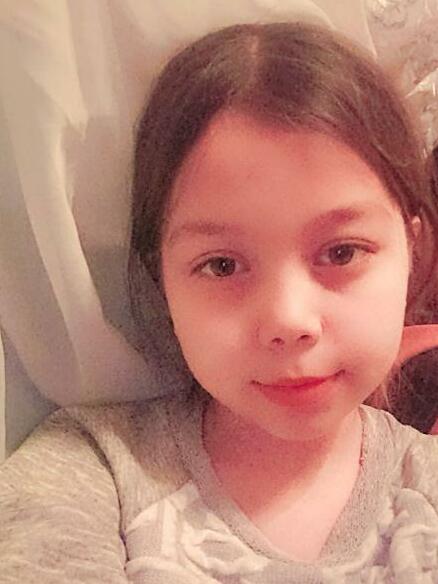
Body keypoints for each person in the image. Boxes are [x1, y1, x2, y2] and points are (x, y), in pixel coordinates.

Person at [1, 21, 438, 583]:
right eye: (222, 265)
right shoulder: (91, 469)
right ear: (161, 278)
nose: (289, 321)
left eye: (342, 252)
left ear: (413, 251)